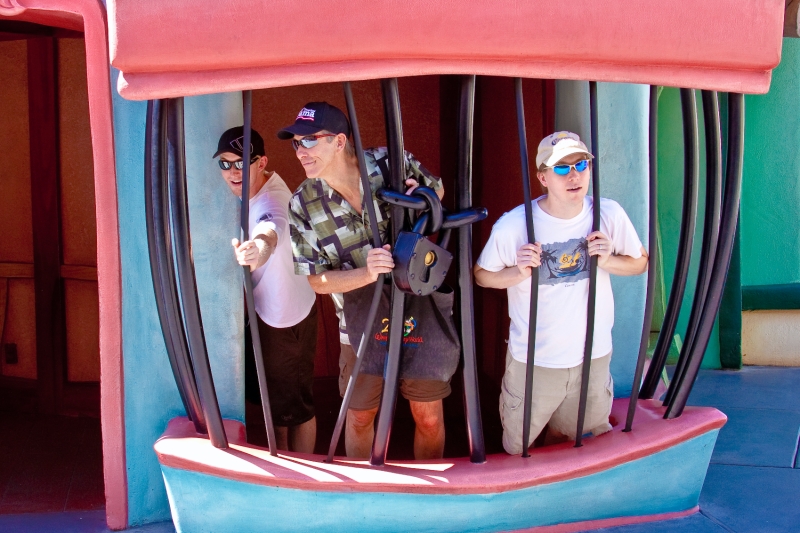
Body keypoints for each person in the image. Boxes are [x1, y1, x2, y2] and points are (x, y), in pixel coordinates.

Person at [279, 102, 448, 460]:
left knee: (428, 416)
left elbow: (440, 195)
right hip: (358, 322)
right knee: (358, 417)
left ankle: (431, 504)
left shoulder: (391, 164)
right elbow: (317, 281)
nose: (300, 152)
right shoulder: (302, 204)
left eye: (309, 141)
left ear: (339, 141)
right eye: (296, 144)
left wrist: (420, 198)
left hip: (417, 306)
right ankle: (366, 498)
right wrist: (366, 273)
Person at [474, 131, 648, 455]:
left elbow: (640, 262)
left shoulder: (607, 215)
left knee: (573, 443)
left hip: (593, 358)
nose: (574, 175)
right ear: (542, 177)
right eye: (561, 168)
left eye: (581, 164)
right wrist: (517, 272)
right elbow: (482, 276)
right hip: (535, 361)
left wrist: (609, 260)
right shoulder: (515, 225)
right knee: (517, 447)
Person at [213, 126, 318, 453]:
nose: (233, 172)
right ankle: (288, 466)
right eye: (225, 164)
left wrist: (258, 250)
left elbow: (270, 230)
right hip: (268, 313)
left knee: (298, 410)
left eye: (242, 163)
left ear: (261, 163)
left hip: (287, 320)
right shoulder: (257, 187)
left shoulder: (273, 200)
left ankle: (303, 483)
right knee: (278, 406)